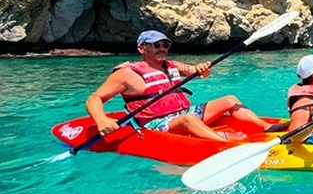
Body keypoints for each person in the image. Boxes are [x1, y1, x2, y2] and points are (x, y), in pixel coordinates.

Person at [86, 30, 279, 141]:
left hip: (183, 113)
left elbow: (198, 71)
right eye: (156, 45)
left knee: (229, 100)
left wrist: (202, 69)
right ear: (141, 48)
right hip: (155, 124)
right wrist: (102, 120)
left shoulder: (172, 66)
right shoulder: (127, 74)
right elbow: (95, 98)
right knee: (188, 119)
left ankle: (266, 128)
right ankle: (222, 142)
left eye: (165, 45)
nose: (162, 49)